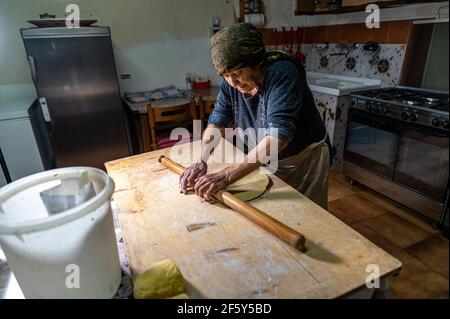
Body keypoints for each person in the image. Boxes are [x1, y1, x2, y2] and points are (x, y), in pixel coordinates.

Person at [179, 23, 331, 209]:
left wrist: (227, 175)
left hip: (304, 158)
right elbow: (217, 120)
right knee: (277, 212)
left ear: (256, 62)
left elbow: (278, 136)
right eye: (225, 75)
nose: (232, 81)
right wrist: (201, 161)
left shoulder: (282, 73)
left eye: (237, 73)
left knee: (308, 214)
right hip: (267, 157)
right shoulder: (231, 82)